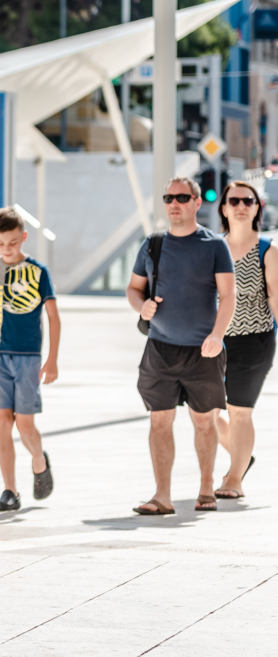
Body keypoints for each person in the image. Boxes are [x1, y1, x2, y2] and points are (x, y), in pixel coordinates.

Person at [127, 177, 235, 515]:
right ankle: (162, 496)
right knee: (159, 421)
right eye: (168, 197)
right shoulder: (153, 244)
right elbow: (133, 288)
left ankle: (206, 489)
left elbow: (228, 296)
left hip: (203, 350)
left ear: (196, 202)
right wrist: (140, 306)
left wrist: (217, 336)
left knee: (204, 421)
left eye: (182, 197)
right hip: (160, 348)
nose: (174, 203)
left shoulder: (214, 245)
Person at [0, 207, 59, 512]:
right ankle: (10, 491)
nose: (7, 249)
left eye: (13, 242)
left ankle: (39, 459)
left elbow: (54, 318)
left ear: (23, 237)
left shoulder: (39, 271)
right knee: (3, 422)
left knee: (26, 426)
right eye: (1, 243)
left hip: (29, 357)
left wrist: (52, 360)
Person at [213, 181, 277, 500]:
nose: (240, 205)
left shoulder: (268, 250)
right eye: (233, 201)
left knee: (239, 411)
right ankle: (243, 456)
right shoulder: (212, 247)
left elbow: (276, 298)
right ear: (224, 208)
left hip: (255, 341)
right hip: (215, 342)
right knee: (207, 413)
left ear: (256, 208)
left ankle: (234, 479)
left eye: (247, 201)